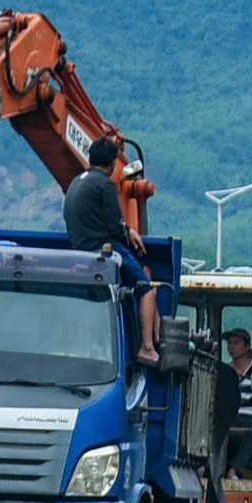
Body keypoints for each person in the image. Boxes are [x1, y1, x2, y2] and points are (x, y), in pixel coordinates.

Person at [64, 136, 162, 361]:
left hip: (79, 249)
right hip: (103, 251)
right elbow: (115, 223)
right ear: (112, 164)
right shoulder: (105, 184)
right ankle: (147, 347)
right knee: (147, 288)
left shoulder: (77, 181)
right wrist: (129, 232)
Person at [221, 328, 252, 476]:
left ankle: (234, 470)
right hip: (231, 416)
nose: (231, 347)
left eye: (236, 343)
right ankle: (206, 467)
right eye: (229, 343)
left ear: (247, 347)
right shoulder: (226, 371)